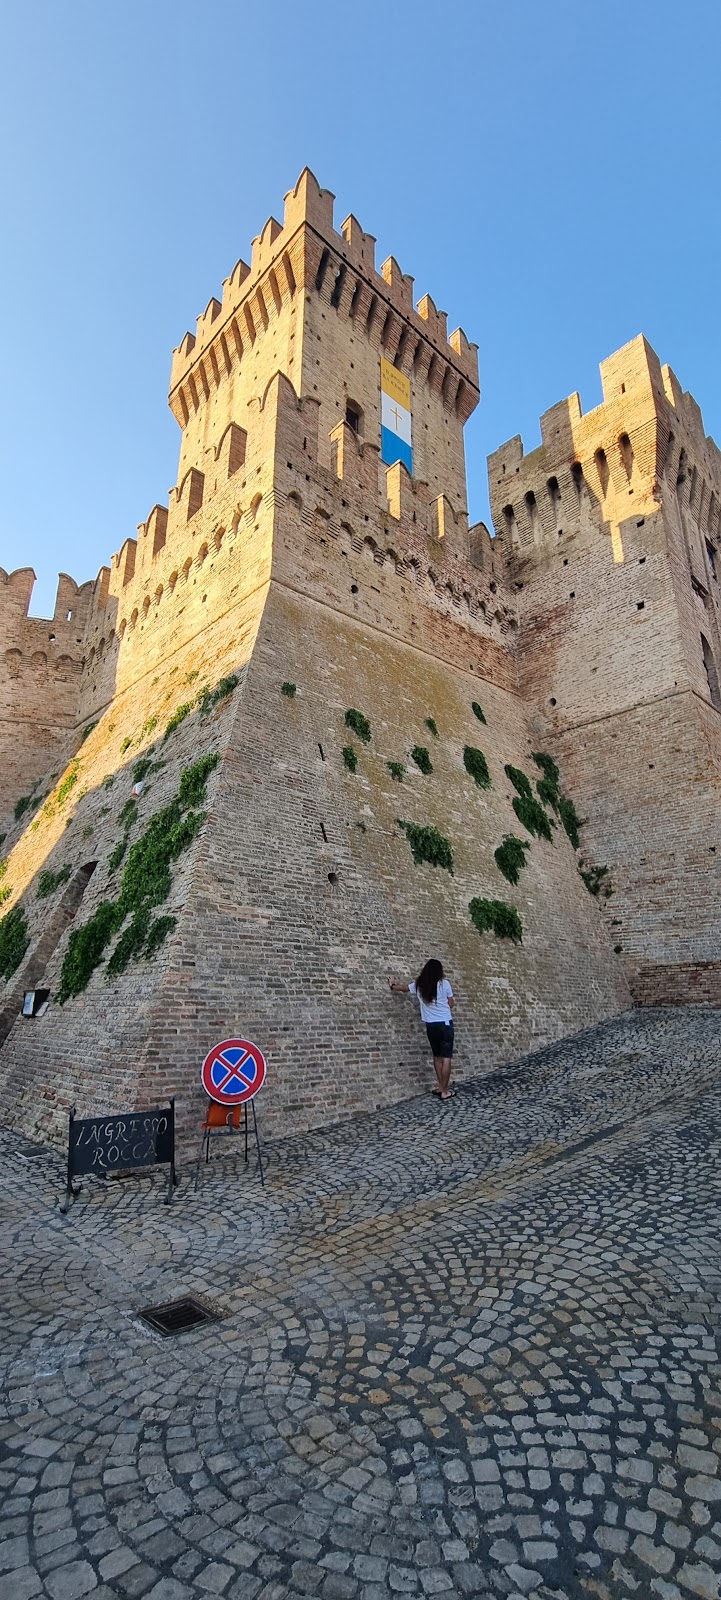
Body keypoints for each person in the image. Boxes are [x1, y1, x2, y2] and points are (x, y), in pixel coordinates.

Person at [389, 959, 456, 1101]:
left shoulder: (420, 985)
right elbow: (451, 1004)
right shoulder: (445, 984)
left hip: (431, 1026)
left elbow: (404, 988)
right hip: (445, 1024)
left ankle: (440, 1087)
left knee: (436, 1057)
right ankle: (445, 1091)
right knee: (446, 1057)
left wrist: (393, 985)